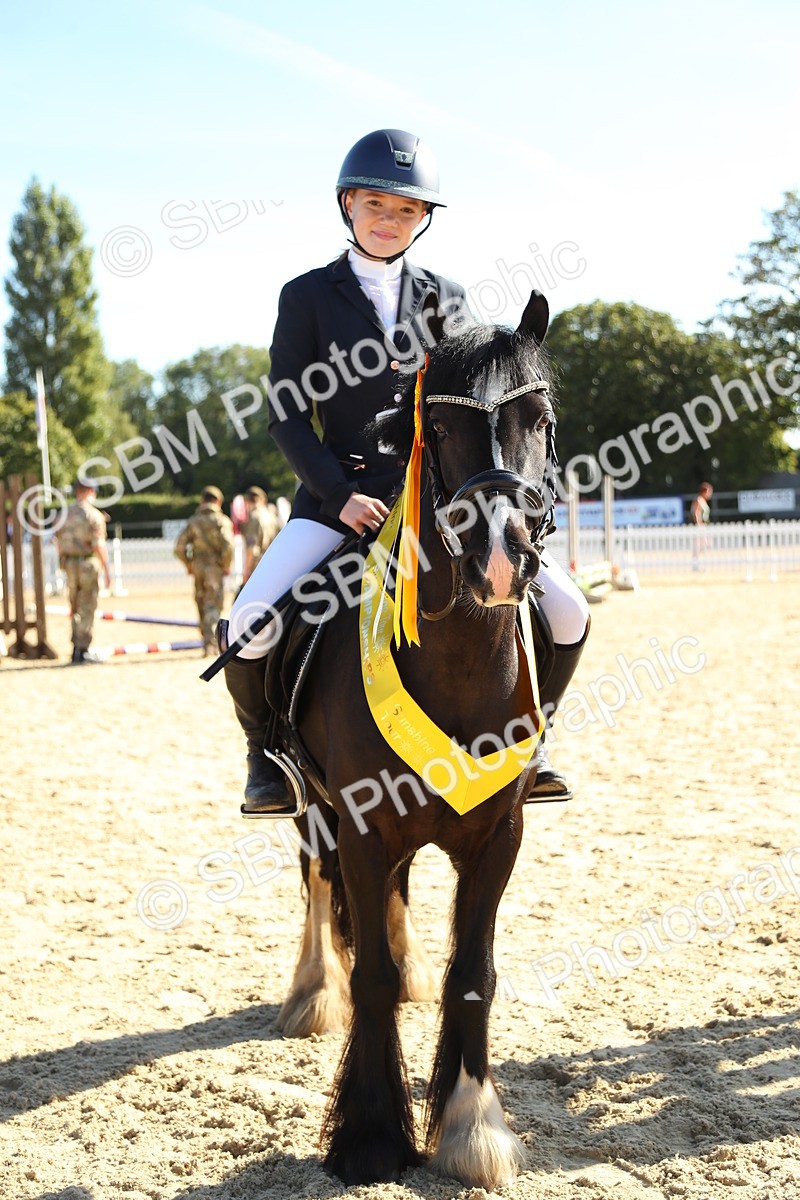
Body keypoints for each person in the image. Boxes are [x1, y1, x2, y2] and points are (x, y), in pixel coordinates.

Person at [223, 128, 589, 813]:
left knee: (568, 610)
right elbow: (286, 417)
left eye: (406, 211)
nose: (389, 221)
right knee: (248, 622)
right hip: (340, 495)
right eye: (375, 206)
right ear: (346, 205)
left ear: (422, 220)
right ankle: (267, 759)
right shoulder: (305, 297)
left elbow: (478, 410)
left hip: (442, 497)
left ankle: (534, 744)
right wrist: (339, 496)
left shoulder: (449, 296)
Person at [174, 486, 235, 655]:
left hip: (198, 567)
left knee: (201, 602)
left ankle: (206, 642)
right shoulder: (221, 521)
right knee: (213, 604)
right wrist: (225, 564)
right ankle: (213, 644)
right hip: (214, 568)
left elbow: (179, 547)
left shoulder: (193, 521)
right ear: (219, 501)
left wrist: (189, 564)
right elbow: (229, 546)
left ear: (202, 501)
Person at [56, 479, 111, 663]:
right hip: (87, 565)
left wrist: (63, 563)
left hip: (70, 565)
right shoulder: (93, 516)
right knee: (88, 607)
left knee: (75, 606)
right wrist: (107, 570)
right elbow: (99, 546)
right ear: (88, 491)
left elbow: (58, 543)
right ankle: (83, 648)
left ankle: (75, 648)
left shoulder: (64, 515)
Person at [241, 486, 281, 583]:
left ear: (248, 502)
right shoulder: (273, 518)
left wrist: (246, 572)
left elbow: (252, 549)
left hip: (258, 567)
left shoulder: (254, 518)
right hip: (272, 565)